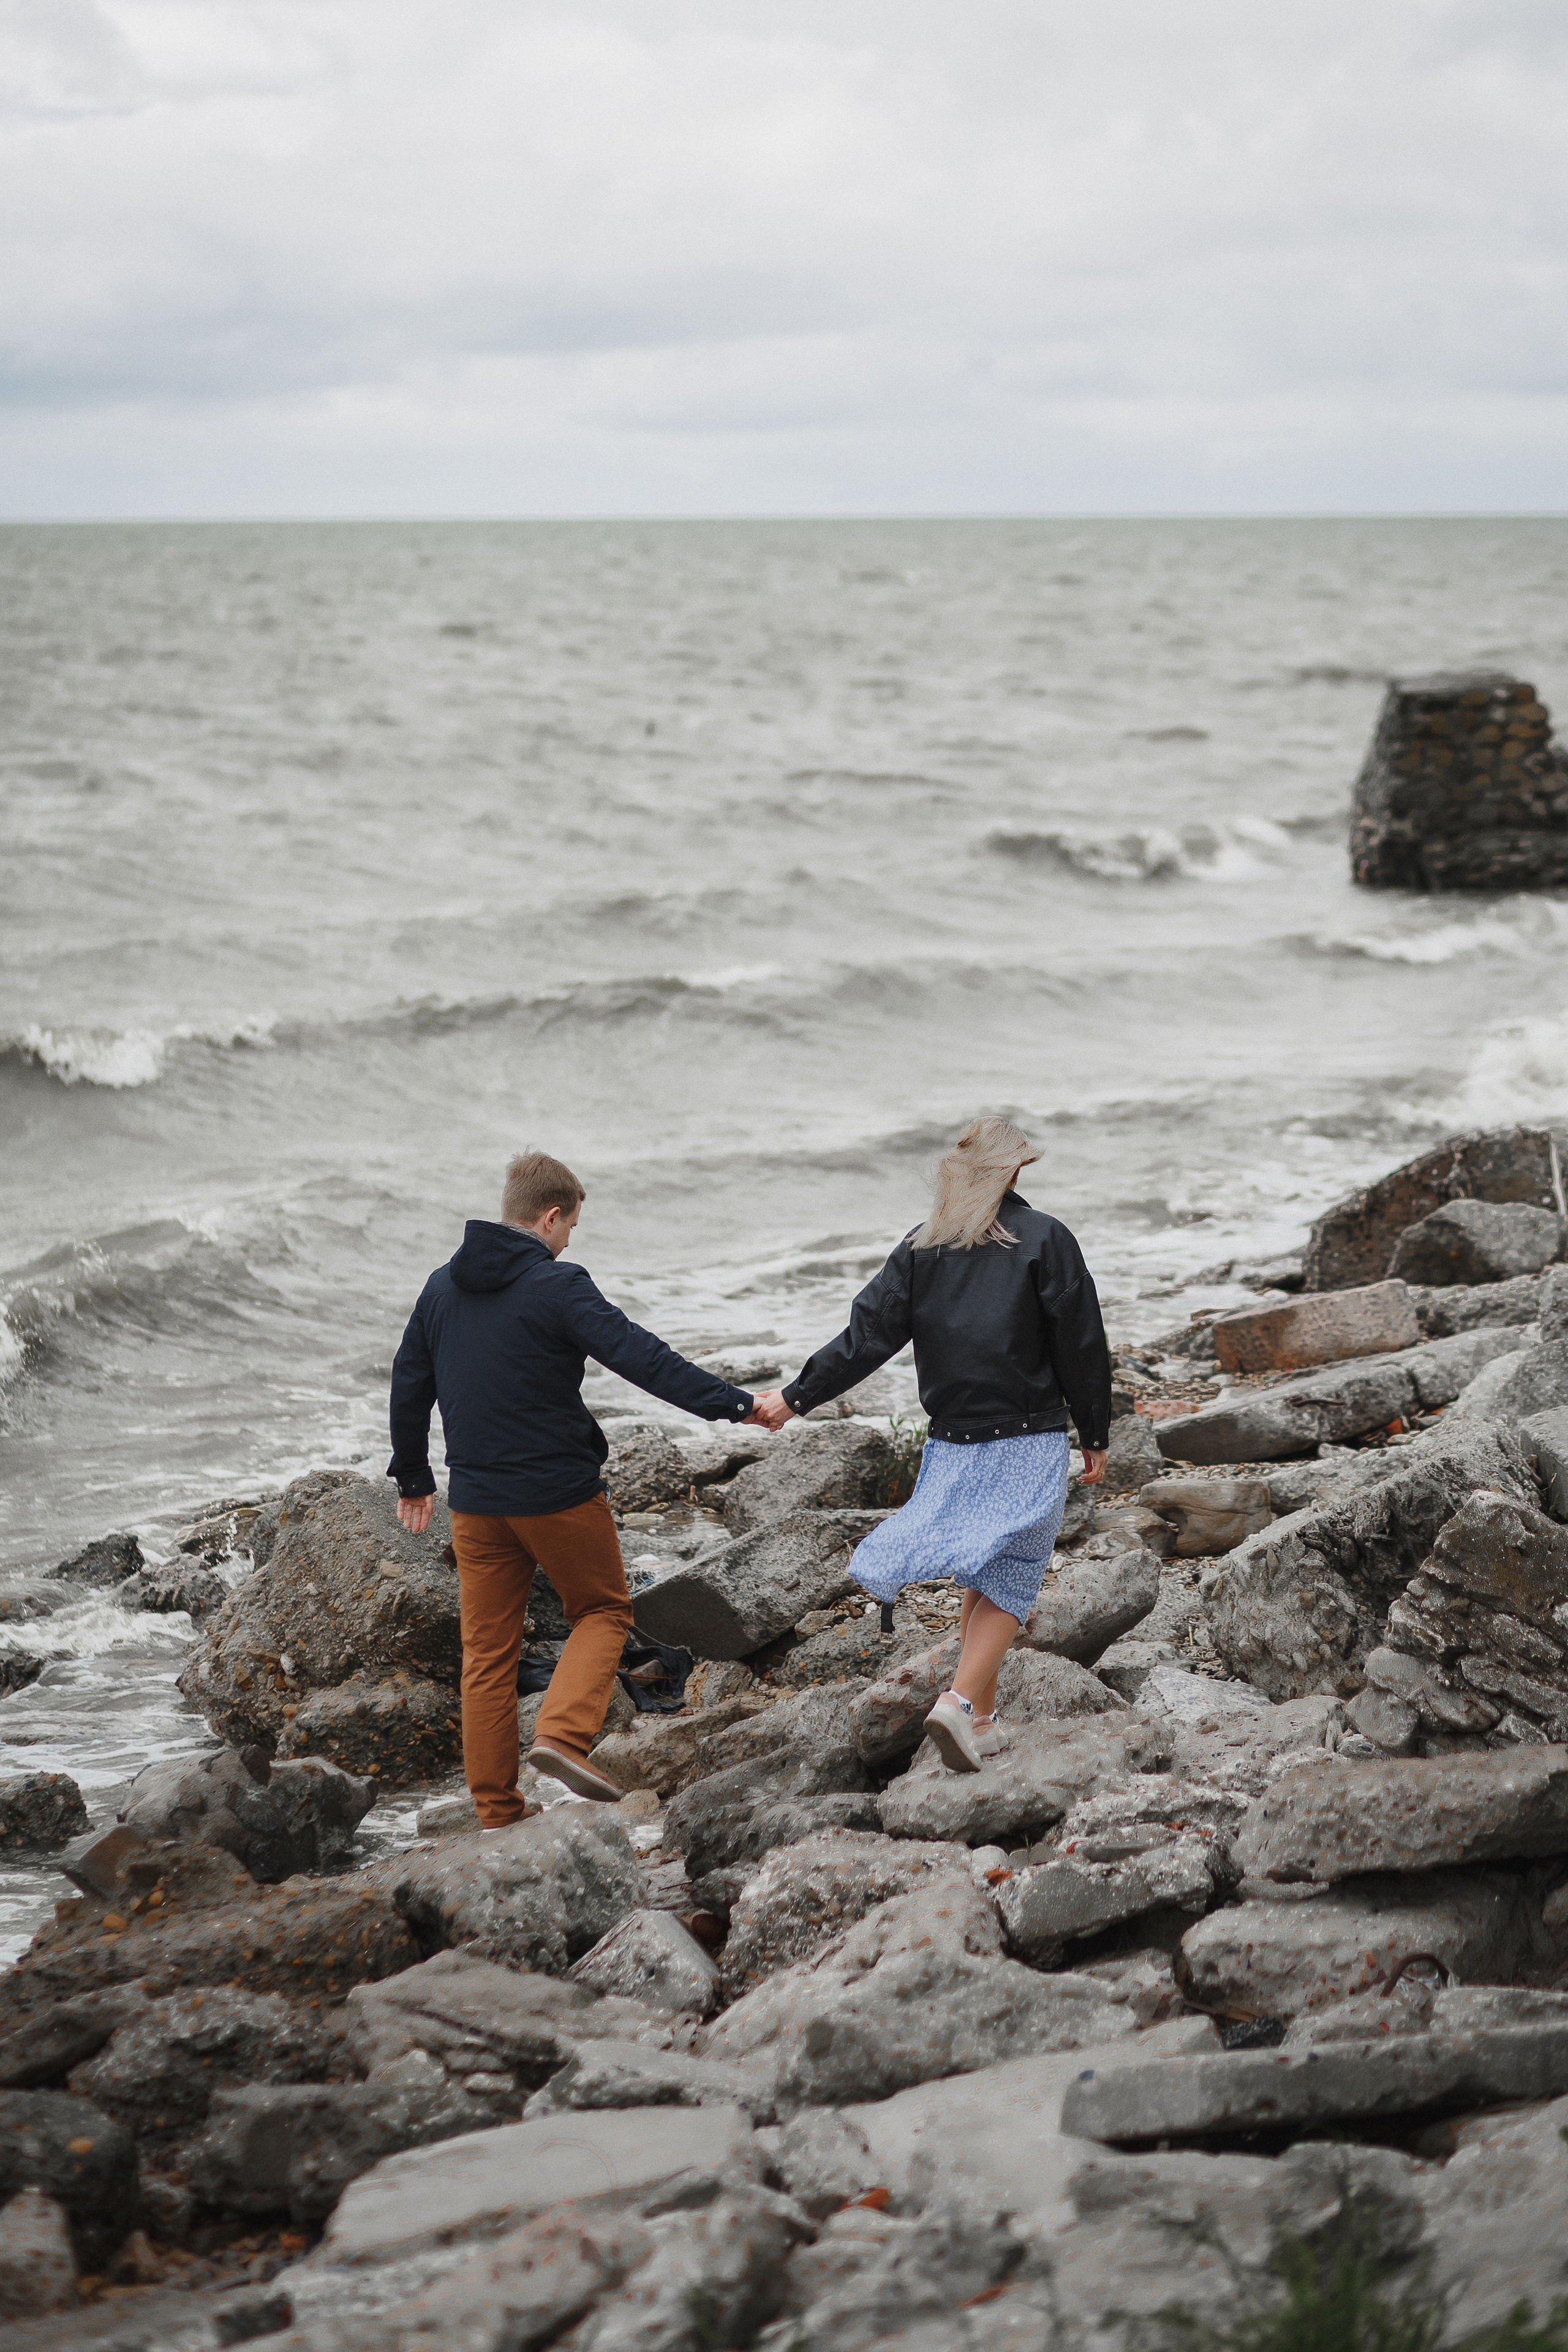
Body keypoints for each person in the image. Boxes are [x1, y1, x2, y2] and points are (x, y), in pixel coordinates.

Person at [388, 1150, 760, 1819]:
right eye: (570, 1229)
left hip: (475, 1502)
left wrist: (413, 1476)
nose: (567, 1243)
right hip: (557, 1493)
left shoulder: (441, 1287)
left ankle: (498, 1811)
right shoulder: (556, 1284)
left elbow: (410, 1382)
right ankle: (560, 1736)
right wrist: (735, 1404)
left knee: (487, 1654)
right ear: (550, 1216)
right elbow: (641, 1356)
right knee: (604, 1612)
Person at [751, 1116, 1111, 1774]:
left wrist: (795, 1397)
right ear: (1015, 1169)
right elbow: (1080, 1342)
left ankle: (983, 1721)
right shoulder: (1045, 1237)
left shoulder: (922, 1247)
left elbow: (866, 1336)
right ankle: (957, 1703)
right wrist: (1094, 1431)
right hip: (1026, 1434)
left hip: (951, 1441)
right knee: (1014, 1574)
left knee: (985, 1569)